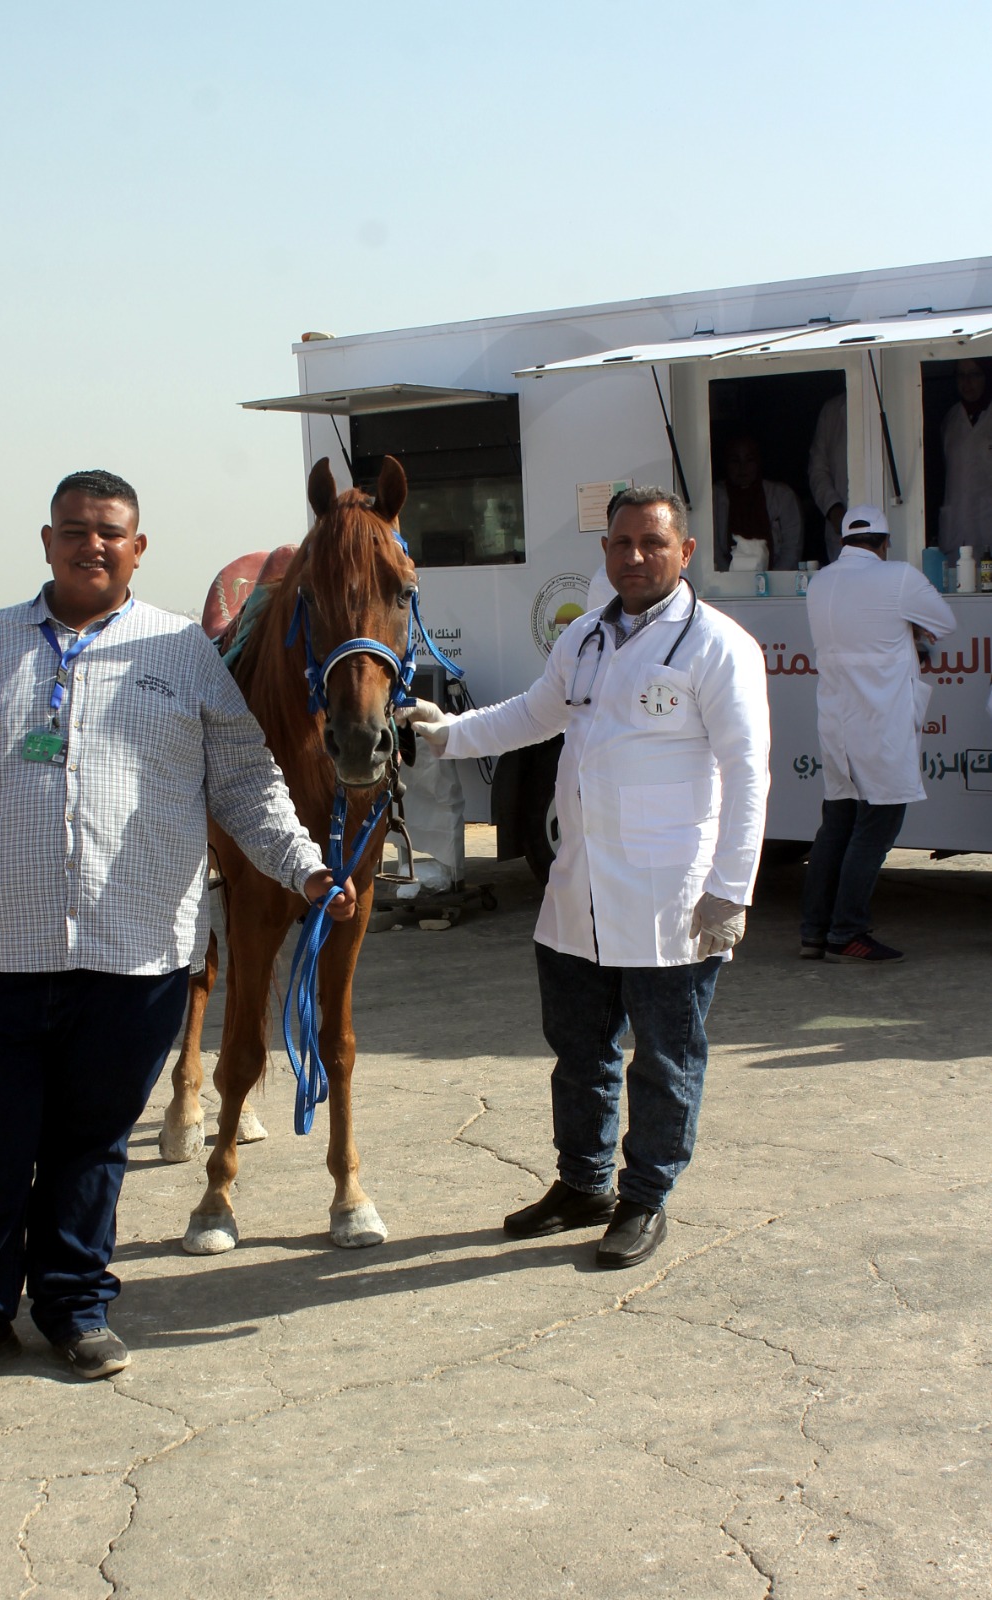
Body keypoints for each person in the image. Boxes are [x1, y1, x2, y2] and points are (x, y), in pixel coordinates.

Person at [0, 469, 355, 1394]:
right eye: (74, 529)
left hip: (131, 954)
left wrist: (303, 864)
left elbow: (248, 787)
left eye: (111, 532)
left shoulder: (181, 653)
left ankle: (73, 1308)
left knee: (91, 1145)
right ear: (47, 540)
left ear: (140, 549)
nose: (91, 544)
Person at [400, 488, 770, 1269]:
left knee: (665, 1057)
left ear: (685, 552)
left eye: (651, 543)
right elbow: (536, 713)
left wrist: (732, 888)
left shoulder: (717, 647)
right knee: (579, 1049)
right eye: (620, 543)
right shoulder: (587, 640)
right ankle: (583, 1183)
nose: (633, 557)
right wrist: (446, 737)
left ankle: (645, 1198)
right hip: (580, 891)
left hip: (672, 897)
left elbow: (748, 774)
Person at [800, 504, 955, 964]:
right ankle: (847, 931)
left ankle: (814, 932)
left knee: (836, 826)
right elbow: (944, 623)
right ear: (885, 543)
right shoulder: (900, 577)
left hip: (837, 725)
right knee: (875, 828)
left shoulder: (820, 583)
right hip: (880, 724)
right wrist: (910, 636)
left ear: (844, 541)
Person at [712, 434, 803, 572]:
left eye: (749, 460)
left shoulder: (782, 496)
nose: (742, 468)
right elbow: (713, 551)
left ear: (759, 461)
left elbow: (792, 550)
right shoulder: (715, 497)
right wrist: (732, 580)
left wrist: (771, 583)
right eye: (735, 461)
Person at [938, 358, 992, 562]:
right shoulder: (950, 419)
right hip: (956, 530)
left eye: (974, 374)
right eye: (961, 375)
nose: (967, 382)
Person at [807, 392, 848, 563]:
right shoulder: (831, 411)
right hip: (840, 531)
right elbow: (818, 470)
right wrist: (834, 510)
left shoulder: (895, 402)